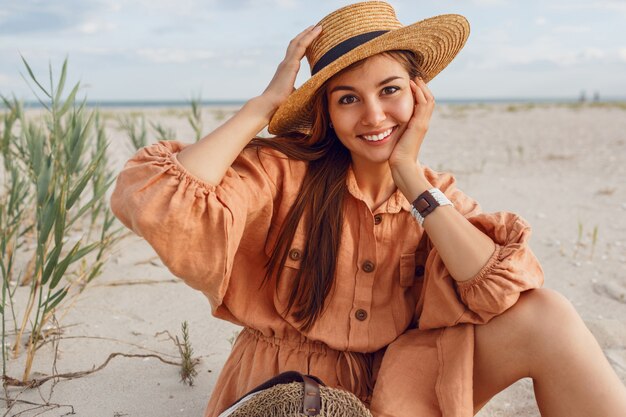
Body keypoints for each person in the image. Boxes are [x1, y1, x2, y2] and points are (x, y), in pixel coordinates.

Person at [110, 2, 626, 416]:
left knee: (548, 315)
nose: (374, 115)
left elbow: (500, 288)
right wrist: (264, 106)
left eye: (390, 90)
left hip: (403, 385)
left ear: (419, 96)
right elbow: (150, 196)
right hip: (295, 391)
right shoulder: (281, 174)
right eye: (348, 99)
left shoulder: (434, 193)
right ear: (327, 112)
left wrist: (408, 172)